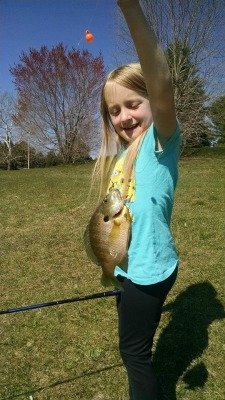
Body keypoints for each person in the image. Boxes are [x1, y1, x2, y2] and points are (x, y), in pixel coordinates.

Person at [92, 0, 181, 399]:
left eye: (133, 103)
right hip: (127, 267)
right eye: (115, 110)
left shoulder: (160, 143)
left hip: (149, 271)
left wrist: (129, 8)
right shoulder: (120, 157)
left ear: (151, 102)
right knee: (133, 342)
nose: (125, 116)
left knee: (133, 352)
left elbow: (161, 83)